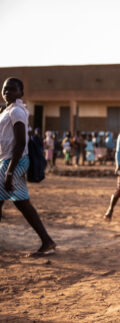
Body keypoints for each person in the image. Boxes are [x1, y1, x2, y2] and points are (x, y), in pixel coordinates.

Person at [0, 77, 56, 257]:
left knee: (15, 202)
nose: (7, 92)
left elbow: (20, 142)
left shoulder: (16, 111)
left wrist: (10, 172)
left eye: (12, 89)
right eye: (5, 89)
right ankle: (47, 241)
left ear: (21, 93)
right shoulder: (8, 110)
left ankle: (47, 241)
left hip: (13, 161)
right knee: (22, 203)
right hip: (8, 160)